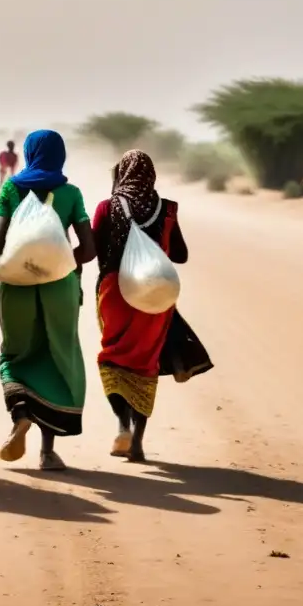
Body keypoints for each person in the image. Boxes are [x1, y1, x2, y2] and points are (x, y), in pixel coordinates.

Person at [92, 149, 213, 463]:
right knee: (145, 362)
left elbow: (93, 250)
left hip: (114, 293)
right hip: (156, 296)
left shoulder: (107, 207)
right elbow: (181, 255)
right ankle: (138, 443)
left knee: (113, 357)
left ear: (121, 175)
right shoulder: (168, 209)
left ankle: (121, 425)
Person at [0, 130, 96, 471]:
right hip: (60, 289)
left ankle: (20, 415)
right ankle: (48, 452)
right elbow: (89, 249)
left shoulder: (11, 188)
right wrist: (58, 265)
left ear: (29, 153)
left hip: (18, 286)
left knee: (15, 352)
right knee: (57, 354)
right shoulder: (71, 193)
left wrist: (26, 263)